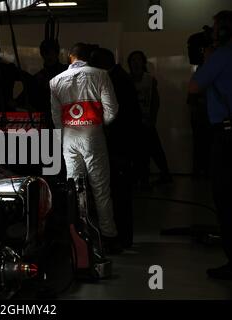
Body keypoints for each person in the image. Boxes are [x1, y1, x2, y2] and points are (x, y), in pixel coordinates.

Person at [50, 42, 120, 251]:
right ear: (88, 57)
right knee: (100, 188)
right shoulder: (100, 75)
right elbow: (112, 110)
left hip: (69, 137)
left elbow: (55, 118)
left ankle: (78, 234)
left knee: (74, 187)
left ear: (71, 56)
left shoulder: (55, 81)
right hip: (93, 135)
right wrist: (97, 124)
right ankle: (108, 236)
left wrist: (69, 130)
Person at [189, 10, 232, 280]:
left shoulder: (222, 56)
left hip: (226, 135)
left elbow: (194, 87)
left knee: (225, 198)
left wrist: (207, 59)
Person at [90, 48, 142, 248]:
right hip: (122, 146)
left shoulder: (116, 81)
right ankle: (121, 238)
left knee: (118, 195)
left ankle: (119, 238)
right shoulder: (119, 78)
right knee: (119, 195)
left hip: (119, 147)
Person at [128, 51, 171, 188]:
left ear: (143, 62)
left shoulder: (149, 79)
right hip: (134, 121)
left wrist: (152, 118)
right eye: (133, 60)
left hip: (147, 120)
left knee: (153, 148)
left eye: (138, 59)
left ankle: (163, 174)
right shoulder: (128, 79)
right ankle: (141, 177)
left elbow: (155, 101)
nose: (135, 62)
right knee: (139, 150)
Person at [32, 40, 67, 124]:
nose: (48, 56)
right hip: (46, 120)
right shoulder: (38, 77)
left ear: (56, 53)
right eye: (45, 53)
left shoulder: (67, 72)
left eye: (51, 53)